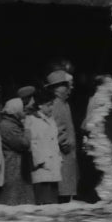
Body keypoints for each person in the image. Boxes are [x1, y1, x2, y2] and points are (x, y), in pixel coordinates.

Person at [45, 70, 78, 203]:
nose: (69, 89)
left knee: (66, 191)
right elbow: (56, 129)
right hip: (62, 156)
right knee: (62, 192)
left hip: (68, 156)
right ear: (56, 88)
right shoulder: (57, 105)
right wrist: (66, 145)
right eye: (66, 85)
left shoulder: (64, 104)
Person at [26, 88, 62, 205]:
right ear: (40, 105)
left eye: (52, 104)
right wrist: (41, 161)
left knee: (53, 202)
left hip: (53, 165)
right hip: (42, 166)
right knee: (44, 202)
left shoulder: (51, 120)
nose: (52, 108)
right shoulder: (32, 120)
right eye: (49, 105)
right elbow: (33, 143)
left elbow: (54, 141)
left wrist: (59, 159)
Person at [0, 98, 34, 205]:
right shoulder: (8, 126)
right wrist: (27, 130)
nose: (25, 113)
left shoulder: (12, 124)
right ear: (16, 111)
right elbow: (23, 144)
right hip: (13, 166)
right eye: (23, 110)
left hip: (17, 166)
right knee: (12, 199)